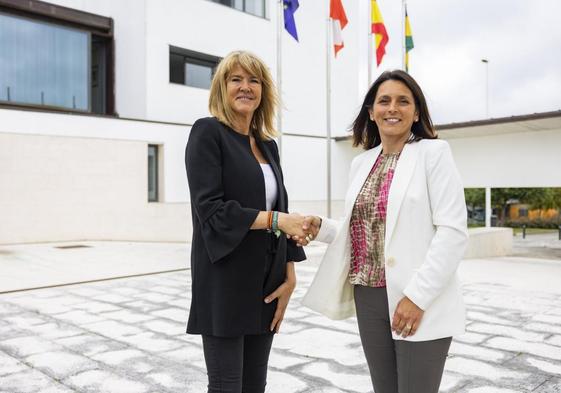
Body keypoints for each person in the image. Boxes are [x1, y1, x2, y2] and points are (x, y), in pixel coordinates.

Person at [299, 70, 468, 393]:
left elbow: (453, 233)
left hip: (417, 297)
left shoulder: (434, 154)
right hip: (369, 296)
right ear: (371, 112)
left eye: (403, 101)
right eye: (384, 101)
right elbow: (362, 231)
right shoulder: (361, 163)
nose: (393, 108)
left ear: (416, 112)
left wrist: (417, 297)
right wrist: (321, 228)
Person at [185, 50, 307, 393]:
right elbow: (211, 210)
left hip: (267, 284)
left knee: (256, 385)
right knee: (227, 386)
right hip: (225, 280)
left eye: (254, 80)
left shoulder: (268, 146)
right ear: (221, 88)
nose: (245, 87)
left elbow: (280, 208)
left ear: (263, 91)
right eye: (235, 79)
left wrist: (290, 275)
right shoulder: (208, 133)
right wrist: (278, 220)